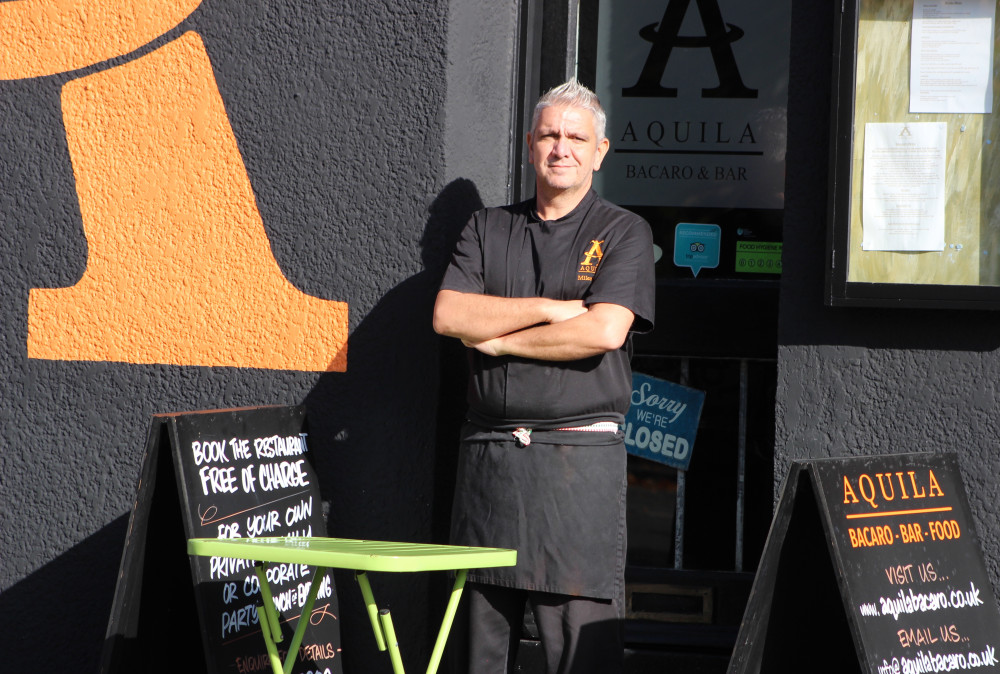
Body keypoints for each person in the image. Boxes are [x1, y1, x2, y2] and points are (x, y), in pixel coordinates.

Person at [432, 79, 655, 674]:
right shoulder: (486, 228)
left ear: (600, 151)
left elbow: (603, 331)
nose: (563, 147)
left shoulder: (624, 231)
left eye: (577, 137)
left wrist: (498, 338)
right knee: (478, 650)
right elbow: (450, 313)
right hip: (489, 463)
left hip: (575, 467)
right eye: (550, 135)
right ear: (530, 144)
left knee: (579, 653)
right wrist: (550, 309)